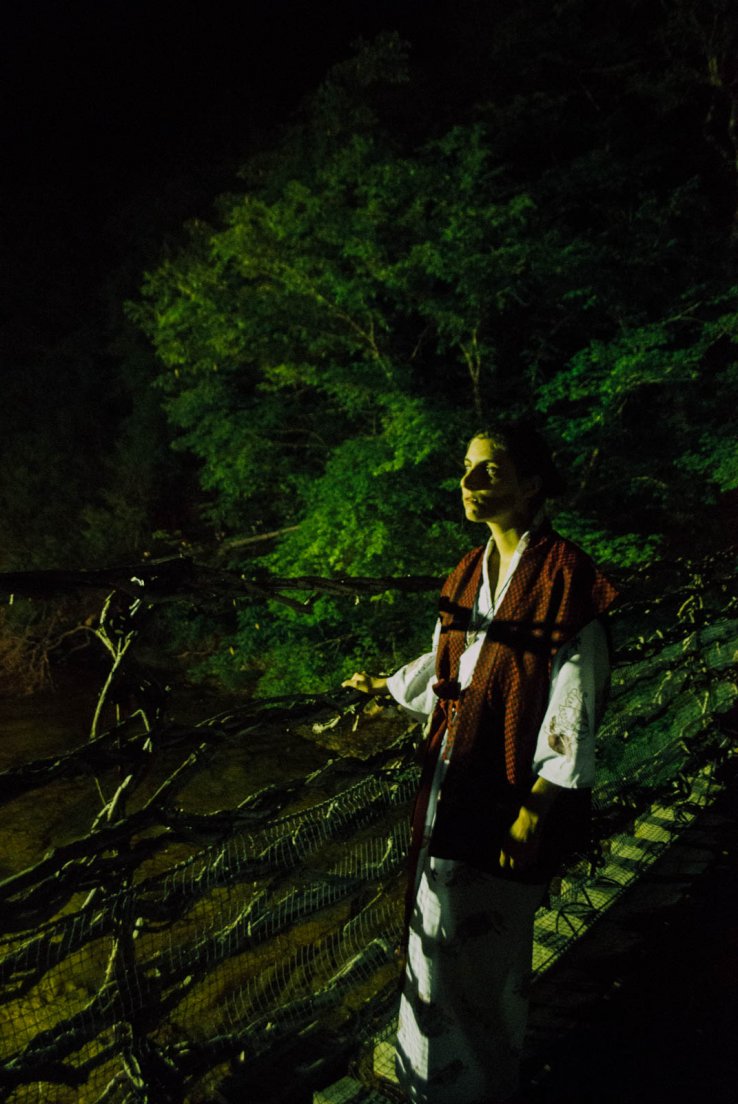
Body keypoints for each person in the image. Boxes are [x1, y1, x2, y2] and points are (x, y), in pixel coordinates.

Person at [342, 424, 617, 1104]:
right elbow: (452, 665)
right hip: (452, 777)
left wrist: (542, 800)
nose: (470, 483)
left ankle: (480, 1089)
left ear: (531, 484)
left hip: (510, 788)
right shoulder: (467, 574)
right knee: (433, 936)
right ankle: (429, 1085)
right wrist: (387, 689)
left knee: (488, 953)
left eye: (490, 470)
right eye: (467, 468)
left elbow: (574, 691)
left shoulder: (565, 577)